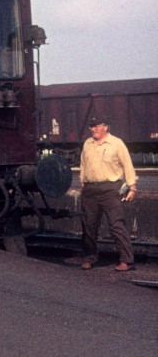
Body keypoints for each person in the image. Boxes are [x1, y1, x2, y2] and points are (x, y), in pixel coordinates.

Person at [79, 116, 138, 272]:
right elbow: (83, 164)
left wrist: (132, 188)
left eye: (96, 126)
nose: (93, 129)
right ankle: (89, 257)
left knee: (116, 225)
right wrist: (83, 181)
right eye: (91, 126)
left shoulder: (117, 143)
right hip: (90, 190)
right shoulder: (87, 144)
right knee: (88, 226)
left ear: (106, 127)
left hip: (111, 189)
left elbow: (128, 165)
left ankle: (126, 260)